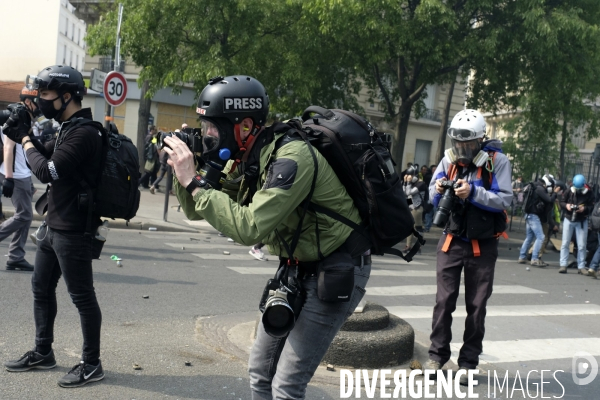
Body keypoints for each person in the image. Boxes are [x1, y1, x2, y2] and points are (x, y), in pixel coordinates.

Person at [165, 75, 370, 399]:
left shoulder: (291, 159)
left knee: (287, 385)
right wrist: (185, 173)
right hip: (297, 267)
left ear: (244, 126)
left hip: (337, 267)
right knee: (260, 370)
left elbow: (249, 228)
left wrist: (194, 182)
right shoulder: (254, 158)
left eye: (213, 128)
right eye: (205, 129)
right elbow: (195, 210)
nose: (207, 136)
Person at [3, 65, 105, 388]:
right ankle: (43, 351)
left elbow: (47, 171)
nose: (41, 99)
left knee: (82, 297)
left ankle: (92, 364)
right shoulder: (65, 127)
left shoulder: (86, 132)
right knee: (41, 287)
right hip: (53, 224)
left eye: (45, 95)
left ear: (66, 97)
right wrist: (27, 131)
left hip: (74, 229)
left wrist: (23, 139)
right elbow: (45, 153)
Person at [424, 109, 512, 385]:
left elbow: (505, 199)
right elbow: (430, 194)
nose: (462, 149)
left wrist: (473, 192)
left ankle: (468, 362)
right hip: (451, 241)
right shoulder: (448, 162)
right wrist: (438, 189)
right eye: (458, 143)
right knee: (443, 301)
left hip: (482, 246)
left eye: (468, 144)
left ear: (480, 140)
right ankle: (437, 356)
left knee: (477, 306)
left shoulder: (497, 162)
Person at [0, 101, 36, 271]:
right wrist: (9, 178)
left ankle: (16, 256)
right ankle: (15, 255)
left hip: (24, 175)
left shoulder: (25, 116)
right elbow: (8, 147)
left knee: (26, 216)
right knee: (24, 214)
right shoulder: (16, 116)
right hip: (16, 175)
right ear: (29, 102)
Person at [518, 175, 560, 267]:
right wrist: (555, 193)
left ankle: (522, 257)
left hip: (529, 214)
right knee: (541, 237)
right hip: (533, 215)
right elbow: (549, 200)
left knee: (529, 237)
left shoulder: (535, 186)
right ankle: (535, 259)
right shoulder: (540, 188)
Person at [558, 174, 594, 274]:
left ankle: (581, 266)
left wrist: (584, 208)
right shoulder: (569, 191)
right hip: (569, 218)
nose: (578, 190)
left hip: (582, 220)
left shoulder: (589, 193)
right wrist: (567, 205)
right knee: (565, 243)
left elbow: (592, 206)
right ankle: (563, 265)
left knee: (582, 245)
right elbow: (562, 201)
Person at [403, 164, 426, 252]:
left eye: (411, 176)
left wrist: (408, 183)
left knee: (418, 228)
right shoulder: (411, 183)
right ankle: (408, 245)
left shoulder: (420, 183)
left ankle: (418, 245)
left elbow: (409, 192)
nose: (409, 177)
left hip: (417, 207)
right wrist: (405, 182)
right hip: (410, 206)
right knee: (410, 227)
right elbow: (404, 193)